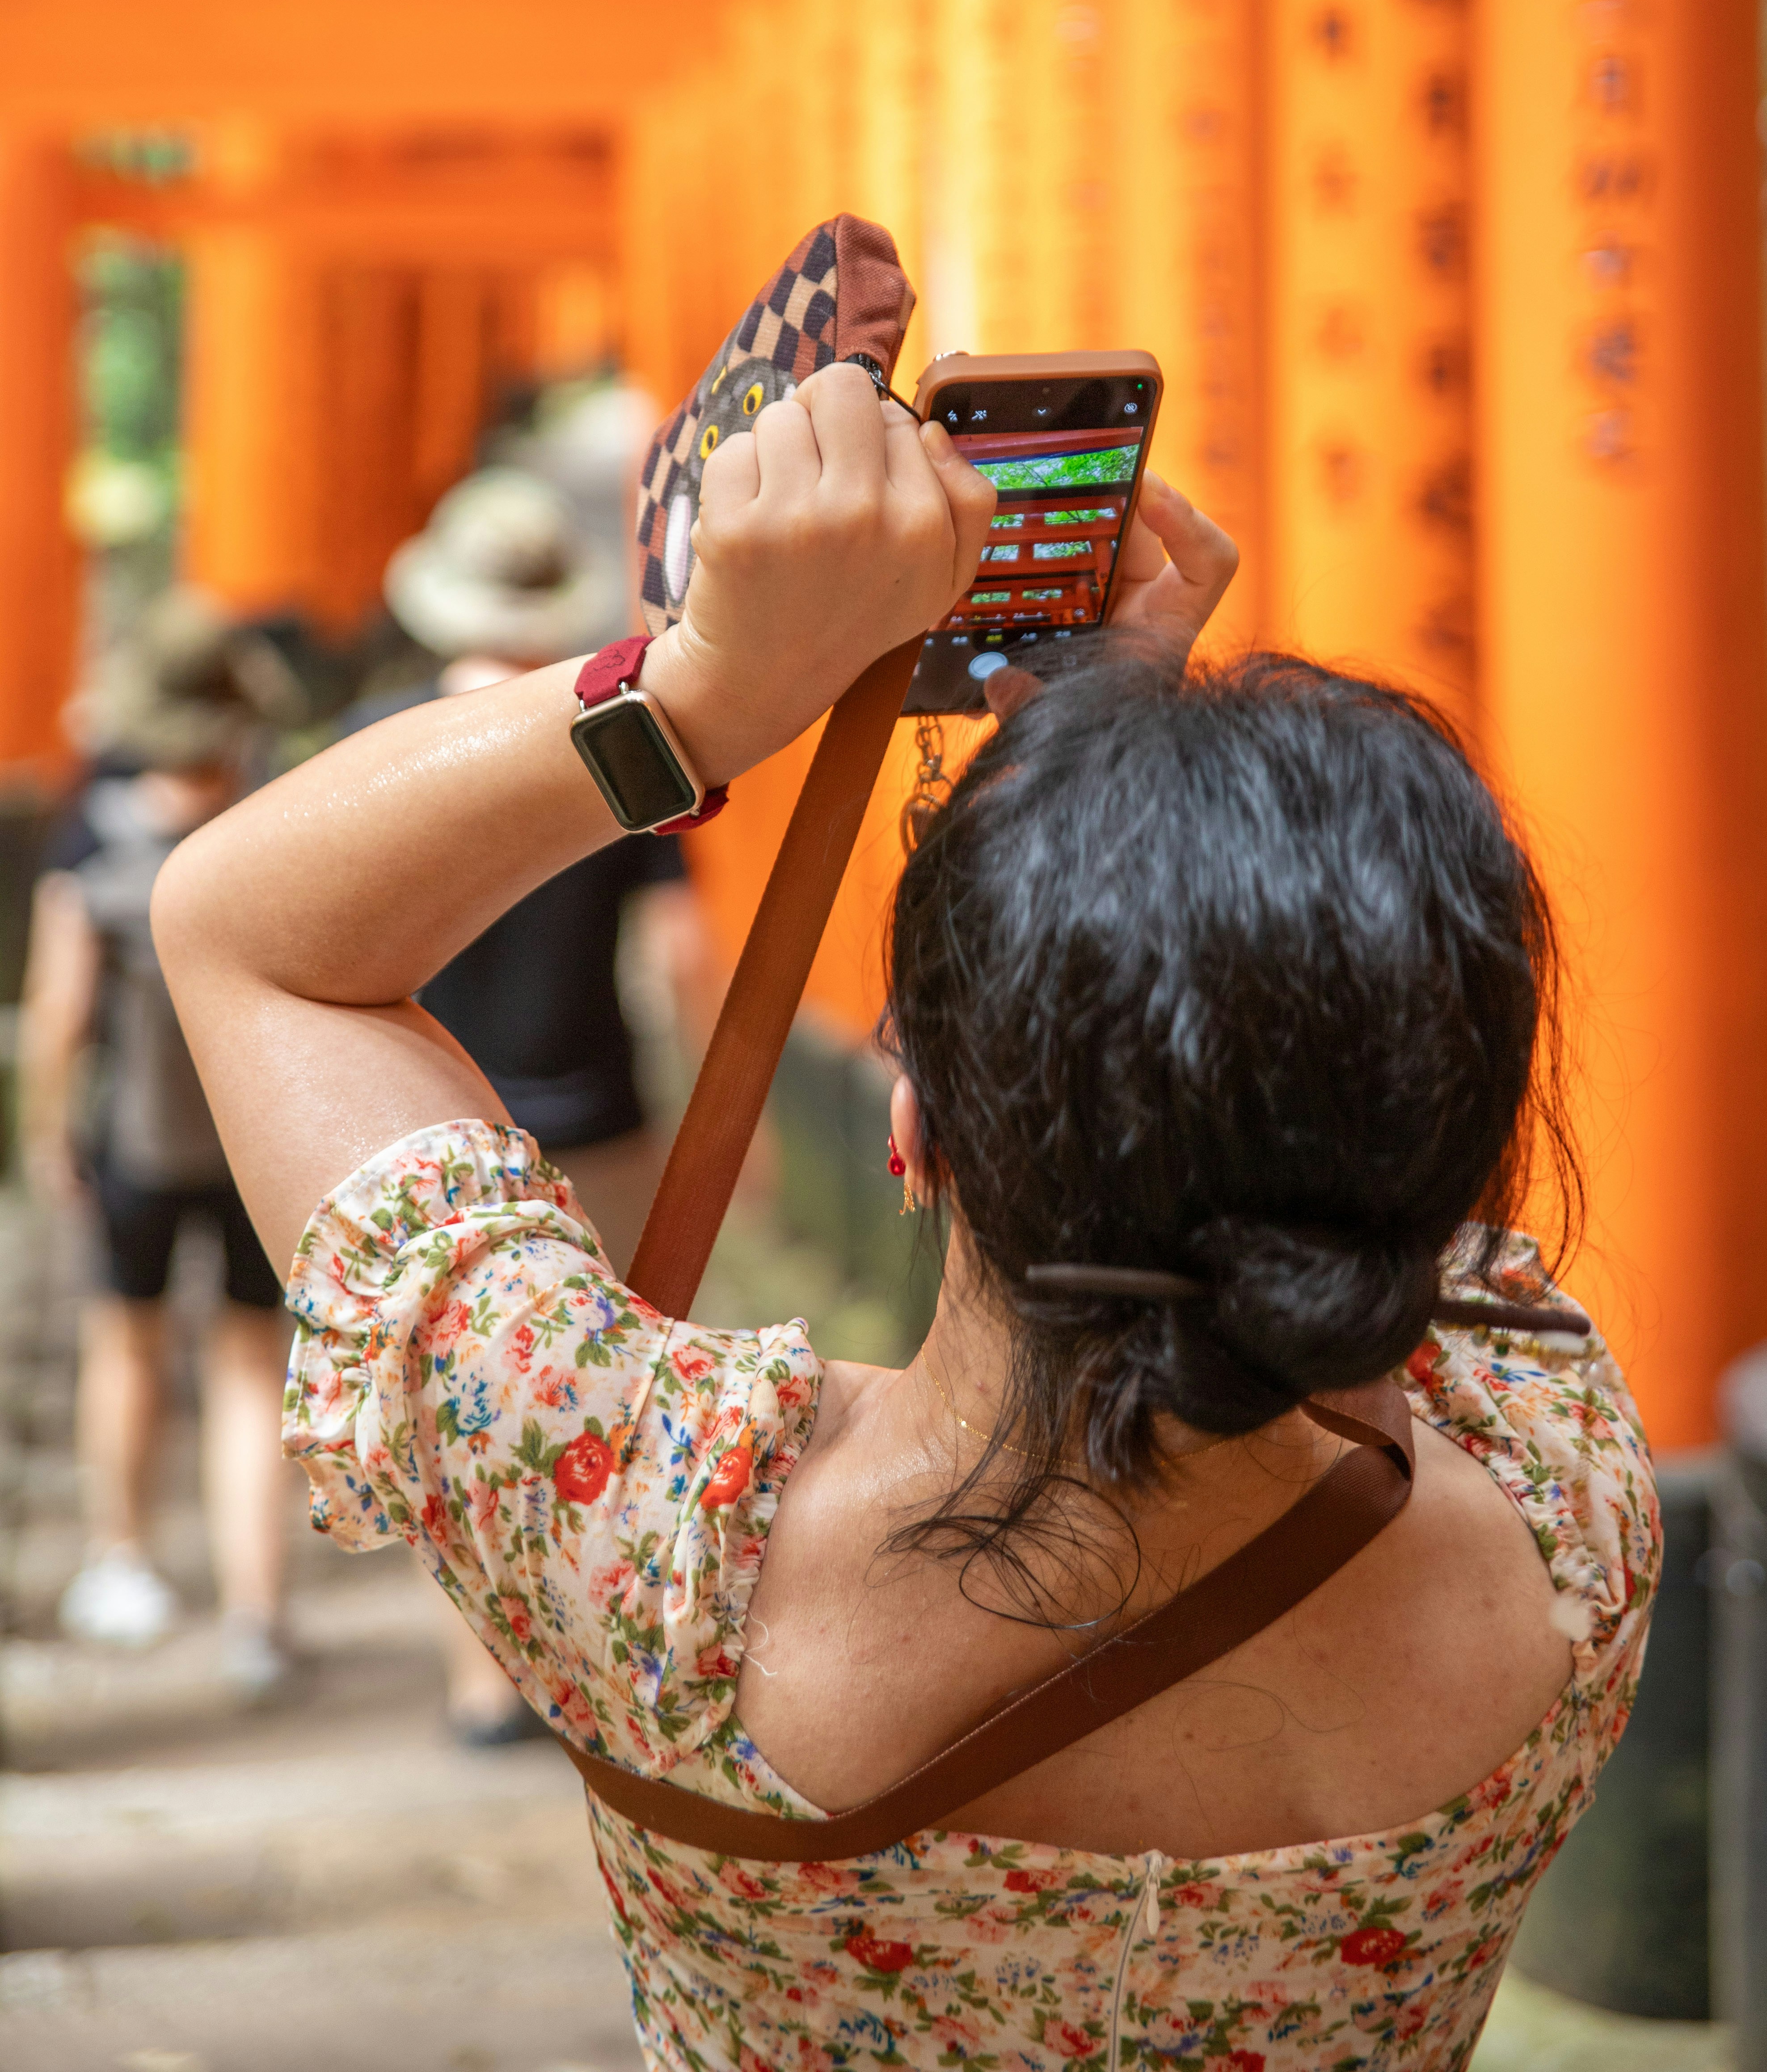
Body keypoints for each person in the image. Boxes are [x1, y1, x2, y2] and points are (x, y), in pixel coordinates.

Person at [155, 368, 1656, 2068]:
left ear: (912, 1121)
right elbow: (1352, 1128)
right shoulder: (1562, 1522)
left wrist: (707, 696)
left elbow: (247, 934)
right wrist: (1111, 813)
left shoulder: (649, 1552)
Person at [352, 463, 745, 1742]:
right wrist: (729, 1109)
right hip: (599, 1115)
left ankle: (482, 1677)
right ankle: (591, 1650)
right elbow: (679, 950)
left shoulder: (383, 749)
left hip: (436, 1124)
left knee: (445, 1403)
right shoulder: (613, 741)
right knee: (613, 1386)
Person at [20, 590, 299, 1691]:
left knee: (127, 1348)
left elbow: (58, 1009)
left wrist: (48, 1127)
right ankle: (256, 1608)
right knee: (245, 1364)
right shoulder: (271, 821)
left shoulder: (96, 834)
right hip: (253, 1141)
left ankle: (125, 1559)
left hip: (132, 1142)